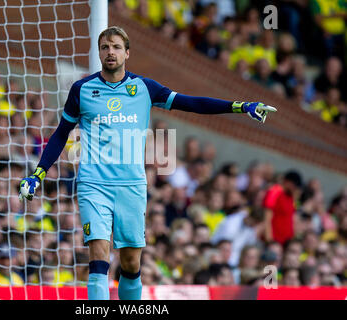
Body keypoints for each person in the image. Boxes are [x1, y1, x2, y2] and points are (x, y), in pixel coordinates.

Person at [18, 26, 277, 300]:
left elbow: (191, 103)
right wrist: (38, 174)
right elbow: (61, 134)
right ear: (99, 52)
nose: (110, 52)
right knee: (98, 257)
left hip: (131, 186)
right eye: (105, 47)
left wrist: (238, 106)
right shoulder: (82, 89)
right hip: (93, 184)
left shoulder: (144, 88)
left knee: (130, 264)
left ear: (127, 52)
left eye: (116, 47)